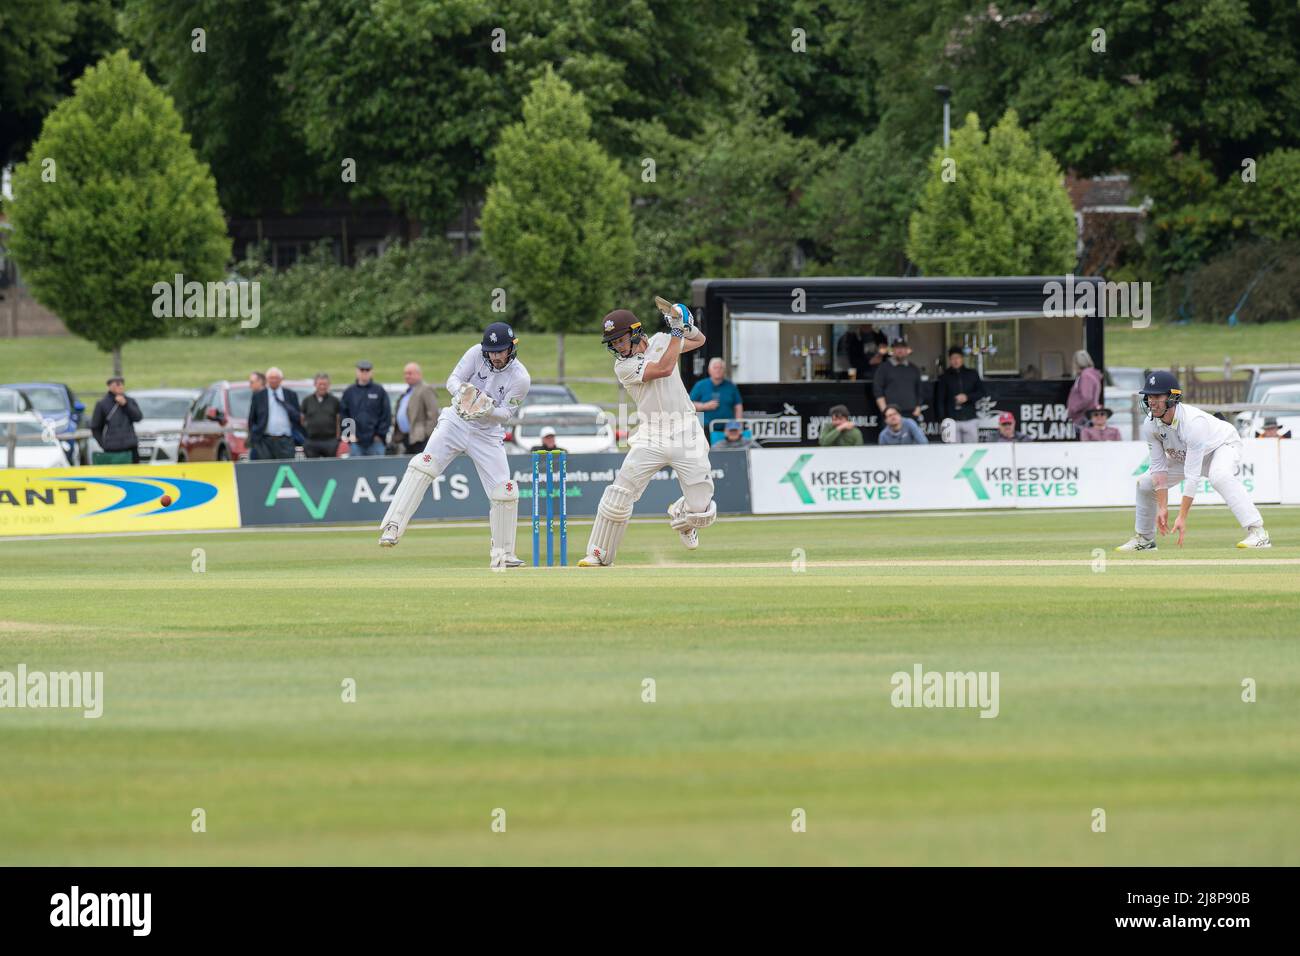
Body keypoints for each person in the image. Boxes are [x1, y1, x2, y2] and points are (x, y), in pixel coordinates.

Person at [379, 323, 529, 567]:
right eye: (491, 351)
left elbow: (506, 414)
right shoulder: (474, 354)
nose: (495, 356)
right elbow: (453, 379)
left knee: (505, 491)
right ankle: (393, 526)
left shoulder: (521, 378)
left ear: (512, 348)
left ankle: (503, 554)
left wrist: (486, 408)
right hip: (455, 422)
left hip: (487, 434)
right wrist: (465, 393)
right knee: (423, 466)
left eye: (500, 351)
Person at [579, 302, 712, 566]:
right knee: (620, 492)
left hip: (686, 430)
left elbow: (700, 340)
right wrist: (676, 331)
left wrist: (685, 324)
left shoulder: (663, 340)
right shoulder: (623, 368)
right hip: (651, 433)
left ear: (636, 332)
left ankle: (682, 515)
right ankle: (598, 553)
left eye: (620, 339)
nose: (617, 346)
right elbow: (663, 368)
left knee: (702, 510)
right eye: (612, 343)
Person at [1116, 371, 1270, 551]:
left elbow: (1192, 476)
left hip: (1221, 445)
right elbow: (1158, 468)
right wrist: (1163, 507)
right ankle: (1145, 540)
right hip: (1183, 455)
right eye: (1149, 396)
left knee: (1219, 476)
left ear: (1172, 398)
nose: (1151, 401)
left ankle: (1258, 533)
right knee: (1144, 483)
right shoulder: (1150, 424)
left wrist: (1182, 516)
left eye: (1157, 396)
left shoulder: (1192, 423)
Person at [248, 366, 302, 461]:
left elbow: (297, 416)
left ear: (281, 379)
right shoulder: (259, 396)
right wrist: (254, 436)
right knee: (266, 468)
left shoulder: (290, 395)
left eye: (276, 378)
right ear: (267, 379)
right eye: (271, 378)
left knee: (286, 467)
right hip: (265, 440)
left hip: (286, 440)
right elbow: (252, 419)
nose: (273, 380)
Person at [933, 346, 985, 443]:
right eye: (953, 358)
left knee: (971, 451)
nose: (955, 361)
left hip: (970, 418)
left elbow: (981, 393)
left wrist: (967, 397)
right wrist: (943, 420)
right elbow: (939, 400)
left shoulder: (972, 374)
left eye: (958, 358)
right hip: (951, 421)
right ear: (949, 360)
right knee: (952, 452)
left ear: (962, 358)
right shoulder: (944, 377)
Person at [340, 360, 391, 456]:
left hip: (376, 442)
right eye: (361, 370)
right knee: (356, 470)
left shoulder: (379, 391)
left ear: (371, 372)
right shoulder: (349, 392)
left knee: (378, 470)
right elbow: (344, 415)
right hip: (356, 443)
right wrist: (351, 435)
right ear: (357, 371)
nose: (364, 372)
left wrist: (379, 435)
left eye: (367, 370)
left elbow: (386, 415)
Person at [90, 376, 143, 463]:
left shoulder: (130, 401)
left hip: (130, 447)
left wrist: (125, 405)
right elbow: (95, 427)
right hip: (112, 448)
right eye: (117, 385)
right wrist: (103, 444)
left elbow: (138, 417)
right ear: (109, 386)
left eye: (122, 384)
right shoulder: (102, 404)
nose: (120, 387)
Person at [688, 357, 743, 436]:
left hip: (728, 428)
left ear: (724, 370)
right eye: (715, 368)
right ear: (709, 370)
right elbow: (690, 405)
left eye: (721, 368)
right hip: (705, 428)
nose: (718, 370)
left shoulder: (731, 386)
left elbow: (738, 407)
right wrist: (705, 406)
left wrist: (738, 425)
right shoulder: (700, 385)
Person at [393, 362, 439, 455]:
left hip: (420, 439)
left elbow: (433, 414)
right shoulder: (407, 392)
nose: (407, 376)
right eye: (405, 373)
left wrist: (426, 435)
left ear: (419, 374)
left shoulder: (426, 389)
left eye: (410, 373)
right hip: (406, 438)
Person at [872, 339, 923, 420]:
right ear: (892, 350)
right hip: (891, 413)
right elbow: (878, 391)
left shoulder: (914, 369)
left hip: (911, 413)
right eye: (897, 347)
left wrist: (918, 407)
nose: (900, 350)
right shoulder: (883, 368)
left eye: (902, 347)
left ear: (907, 350)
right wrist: (885, 411)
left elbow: (920, 390)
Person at [300, 373, 341, 458]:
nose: (322, 387)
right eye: (320, 384)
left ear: (329, 385)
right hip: (311, 441)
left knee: (330, 467)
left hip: (330, 441)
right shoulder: (307, 401)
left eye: (325, 384)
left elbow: (338, 419)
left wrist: (337, 438)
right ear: (315, 385)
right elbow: (302, 419)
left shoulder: (335, 401)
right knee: (312, 468)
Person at [1066, 349, 1103, 430]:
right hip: (1087, 416)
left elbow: (1086, 398)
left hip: (1083, 418)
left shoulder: (1086, 376)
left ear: (1076, 363)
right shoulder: (1092, 375)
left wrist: (1073, 408)